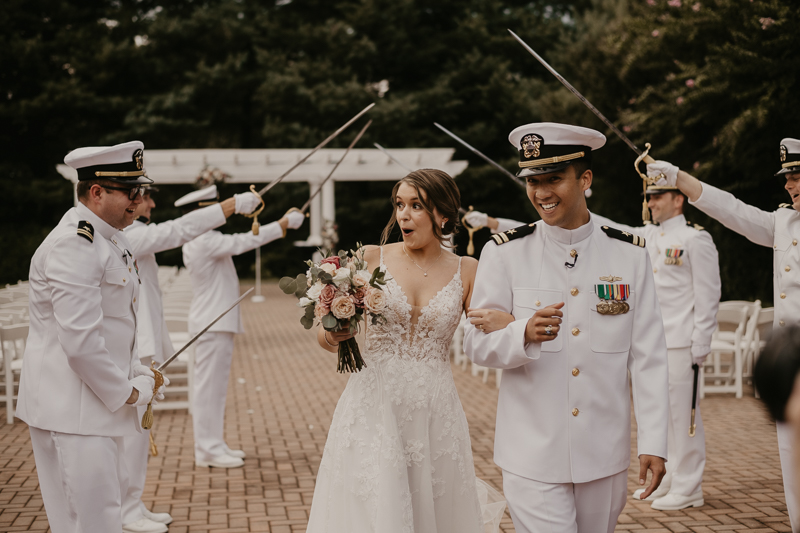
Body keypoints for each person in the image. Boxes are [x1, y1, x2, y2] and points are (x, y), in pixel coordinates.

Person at [463, 123, 670, 533]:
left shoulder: (628, 254)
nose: (541, 192)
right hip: (531, 454)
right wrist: (521, 331)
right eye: (532, 181)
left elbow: (649, 356)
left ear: (585, 178)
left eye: (554, 178)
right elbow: (475, 345)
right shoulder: (505, 253)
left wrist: (655, 442)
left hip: (604, 452)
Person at [305, 169, 506, 533]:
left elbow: (490, 334)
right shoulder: (369, 257)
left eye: (416, 205)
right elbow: (323, 335)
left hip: (435, 409)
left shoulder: (468, 269)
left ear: (443, 215)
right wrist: (337, 335)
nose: (403, 215)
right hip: (373, 402)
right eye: (399, 204)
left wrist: (510, 323)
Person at [646, 138, 800, 528]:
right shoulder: (784, 222)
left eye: (796, 176)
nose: (788, 185)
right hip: (790, 361)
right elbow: (733, 210)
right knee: (791, 454)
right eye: (788, 177)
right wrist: (679, 177)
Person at [16, 141, 165, 532]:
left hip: (93, 404)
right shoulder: (74, 244)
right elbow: (81, 343)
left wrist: (138, 373)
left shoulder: (113, 238)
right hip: (70, 408)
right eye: (130, 192)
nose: (138, 201)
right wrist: (130, 393)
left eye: (140, 191)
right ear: (96, 192)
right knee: (89, 521)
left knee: (101, 516)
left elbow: (121, 325)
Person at [120, 184, 262, 532]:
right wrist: (231, 205)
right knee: (131, 434)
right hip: (132, 348)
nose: (151, 202)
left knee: (138, 433)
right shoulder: (128, 236)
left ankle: (132, 503)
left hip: (142, 346)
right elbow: (178, 229)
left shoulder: (130, 236)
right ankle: (125, 509)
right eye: (144, 195)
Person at [589, 183, 721, 510]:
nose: (651, 201)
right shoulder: (648, 235)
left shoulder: (695, 239)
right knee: (666, 416)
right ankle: (674, 478)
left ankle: (690, 485)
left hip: (681, 341)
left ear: (678, 199)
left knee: (684, 416)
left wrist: (701, 341)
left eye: (658, 196)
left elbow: (708, 294)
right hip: (656, 340)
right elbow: (601, 224)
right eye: (648, 196)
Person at [179, 186, 305, 468]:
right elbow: (243, 241)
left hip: (215, 323)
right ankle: (207, 449)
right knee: (208, 389)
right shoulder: (202, 240)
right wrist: (283, 224)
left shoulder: (203, 239)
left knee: (215, 389)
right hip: (211, 324)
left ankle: (214, 443)